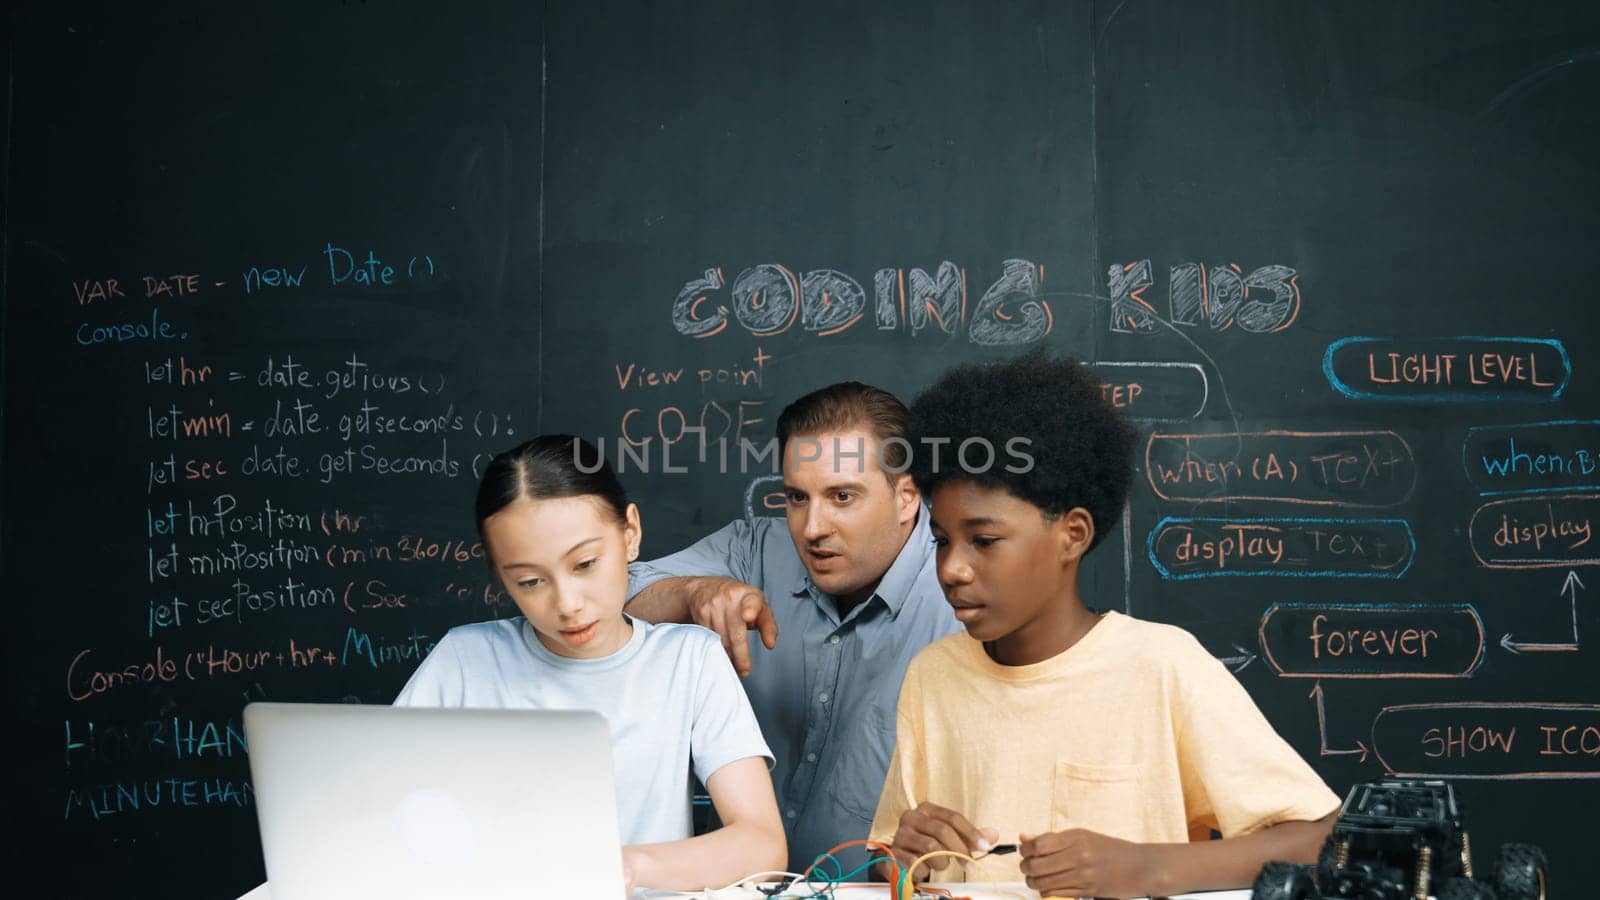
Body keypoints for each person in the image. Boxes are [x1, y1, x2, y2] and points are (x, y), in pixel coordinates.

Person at [870, 352, 1340, 899]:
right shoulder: (934, 676)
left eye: (985, 540)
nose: (951, 568)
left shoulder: (1162, 666)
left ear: (1072, 535)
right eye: (943, 539)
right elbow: (894, 864)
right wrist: (904, 856)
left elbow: (1320, 838)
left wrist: (1143, 867)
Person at [394, 435, 786, 894]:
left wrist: (622, 867)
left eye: (584, 564)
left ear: (630, 534)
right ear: (499, 573)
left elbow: (762, 846)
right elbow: (379, 815)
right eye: (530, 581)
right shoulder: (462, 661)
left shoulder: (689, 660)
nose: (567, 604)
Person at [625, 382, 962, 874]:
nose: (811, 527)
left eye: (842, 496)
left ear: (907, 496)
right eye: (797, 497)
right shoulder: (756, 549)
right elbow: (613, 591)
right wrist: (691, 592)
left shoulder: (963, 598)